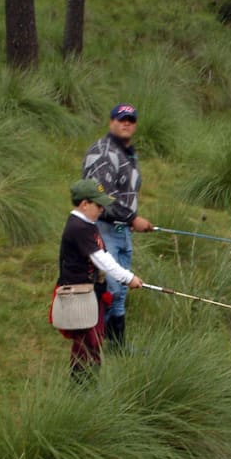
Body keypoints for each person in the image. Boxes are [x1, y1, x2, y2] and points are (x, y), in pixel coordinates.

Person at [54, 178, 144, 377]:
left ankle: (89, 380)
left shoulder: (89, 222)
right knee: (87, 340)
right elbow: (101, 259)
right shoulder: (78, 227)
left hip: (92, 292)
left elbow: (108, 232)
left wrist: (125, 227)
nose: (102, 210)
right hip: (78, 295)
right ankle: (82, 383)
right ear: (84, 204)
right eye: (98, 205)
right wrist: (128, 278)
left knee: (94, 338)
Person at [81, 103, 153, 346]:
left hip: (121, 230)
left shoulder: (127, 152)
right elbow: (103, 197)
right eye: (121, 119)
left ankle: (116, 345)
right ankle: (94, 341)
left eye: (131, 120)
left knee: (121, 288)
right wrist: (132, 218)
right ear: (111, 121)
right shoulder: (102, 152)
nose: (126, 123)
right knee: (110, 286)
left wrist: (128, 220)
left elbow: (125, 193)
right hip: (103, 229)